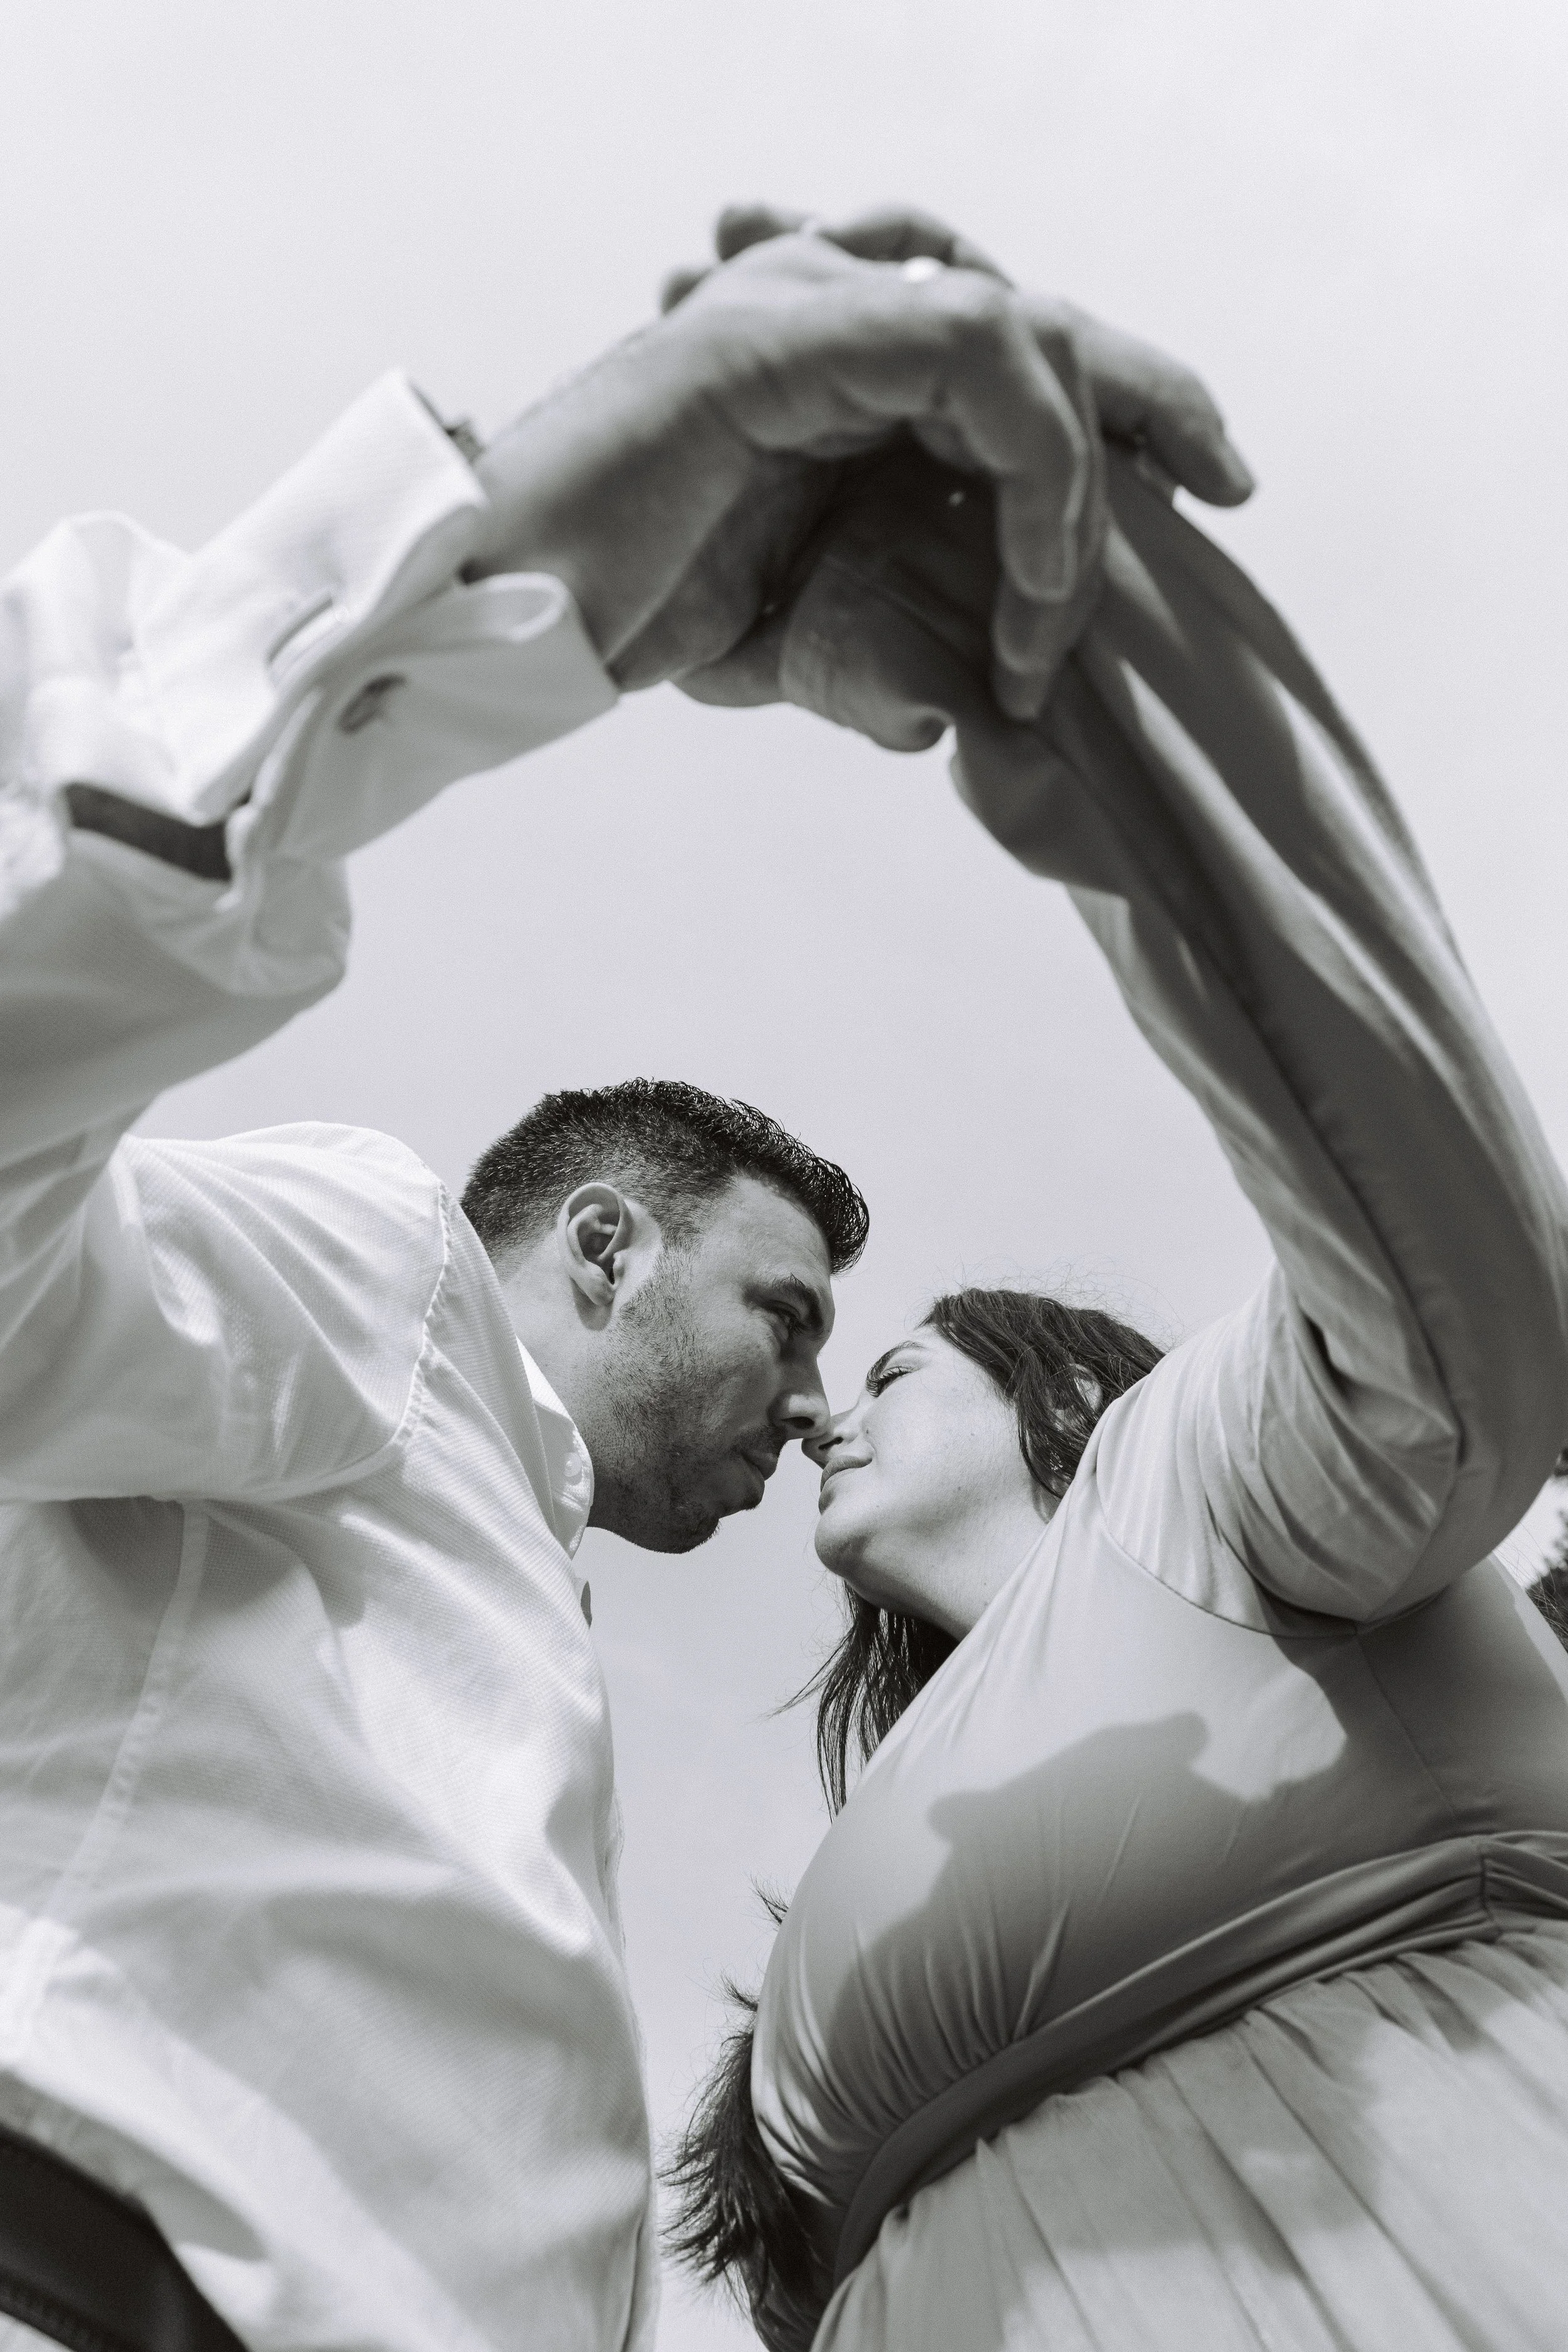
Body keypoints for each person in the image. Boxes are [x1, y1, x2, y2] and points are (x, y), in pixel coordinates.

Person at [0, 208, 1253, 2351]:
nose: (810, 1405)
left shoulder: (468, 1547)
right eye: (785, 1316)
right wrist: (549, 551)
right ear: (598, 1243)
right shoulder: (381, 1279)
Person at [667, 258, 1568, 2351]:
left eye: (881, 1357)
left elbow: (1454, 1269)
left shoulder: (1219, 1497)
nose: (818, 1405)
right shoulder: (901, 1820)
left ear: (1062, 1393)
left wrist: (1056, 664)